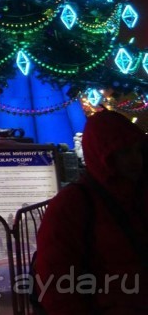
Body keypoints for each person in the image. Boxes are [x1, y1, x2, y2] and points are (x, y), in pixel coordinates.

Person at [34, 110, 147, 313]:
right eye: (124, 152)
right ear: (104, 154)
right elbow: (56, 281)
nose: (135, 160)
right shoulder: (74, 204)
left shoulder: (139, 195)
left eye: (138, 151)